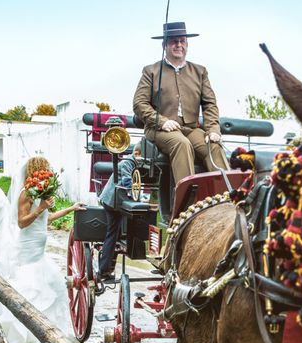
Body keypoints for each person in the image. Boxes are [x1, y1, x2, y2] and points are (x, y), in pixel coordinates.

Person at [0, 156, 85, 343]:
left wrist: (70, 209)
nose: (49, 174)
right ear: (37, 171)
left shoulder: (41, 192)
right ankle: (22, 333)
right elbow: (22, 222)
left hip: (40, 249)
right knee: (29, 286)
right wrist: (40, 208)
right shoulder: (26, 194)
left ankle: (40, 335)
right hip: (27, 247)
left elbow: (46, 220)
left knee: (48, 287)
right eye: (46, 170)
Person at [133, 21, 229, 184]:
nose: (179, 45)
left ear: (187, 44)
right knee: (182, 144)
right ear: (164, 44)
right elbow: (139, 103)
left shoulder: (200, 72)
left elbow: (209, 104)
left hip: (191, 129)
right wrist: (162, 121)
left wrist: (213, 129)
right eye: (173, 41)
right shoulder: (151, 71)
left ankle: (227, 199)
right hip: (158, 129)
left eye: (182, 41)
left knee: (214, 146)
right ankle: (187, 204)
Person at [97, 144, 142, 281]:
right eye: (141, 156)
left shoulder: (131, 162)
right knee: (112, 233)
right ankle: (103, 269)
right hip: (112, 201)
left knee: (115, 232)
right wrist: (136, 196)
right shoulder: (127, 163)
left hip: (116, 200)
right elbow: (128, 181)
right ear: (136, 153)